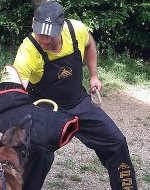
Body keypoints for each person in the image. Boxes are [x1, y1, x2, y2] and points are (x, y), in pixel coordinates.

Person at [12, 1, 138, 189]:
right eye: (40, 33)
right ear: (32, 23)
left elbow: (89, 44)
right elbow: (18, 89)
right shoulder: (28, 50)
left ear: (61, 28)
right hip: (47, 110)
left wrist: (94, 75)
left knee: (116, 142)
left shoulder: (75, 30)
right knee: (38, 151)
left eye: (51, 35)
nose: (45, 40)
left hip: (78, 101)